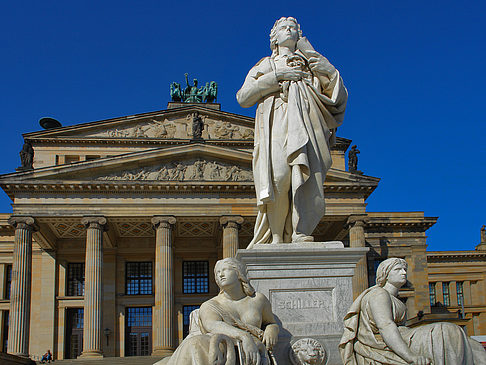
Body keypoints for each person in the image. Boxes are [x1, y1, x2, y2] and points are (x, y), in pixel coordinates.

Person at [237, 17, 347, 246]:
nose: (289, 31)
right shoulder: (265, 65)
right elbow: (243, 97)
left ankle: (300, 231)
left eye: (293, 28)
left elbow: (336, 97)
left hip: (308, 124)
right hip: (276, 123)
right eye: (283, 28)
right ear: (274, 37)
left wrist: (327, 70)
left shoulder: (311, 63)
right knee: (278, 177)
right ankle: (276, 236)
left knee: (307, 177)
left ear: (299, 35)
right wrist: (278, 77)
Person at [339, 258, 486, 364]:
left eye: (404, 269)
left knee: (474, 346)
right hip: (382, 343)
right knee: (448, 330)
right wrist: (411, 357)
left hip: (403, 336)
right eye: (398, 269)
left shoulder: (394, 298)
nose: (403, 273)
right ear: (385, 274)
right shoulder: (379, 294)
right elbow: (386, 327)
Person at [156, 258, 279, 365]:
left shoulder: (258, 300)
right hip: (222, 347)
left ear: (238, 273)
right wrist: (244, 336)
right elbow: (213, 325)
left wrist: (271, 330)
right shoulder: (210, 305)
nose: (220, 275)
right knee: (195, 343)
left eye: (225, 270)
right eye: (218, 272)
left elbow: (270, 322)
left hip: (253, 350)